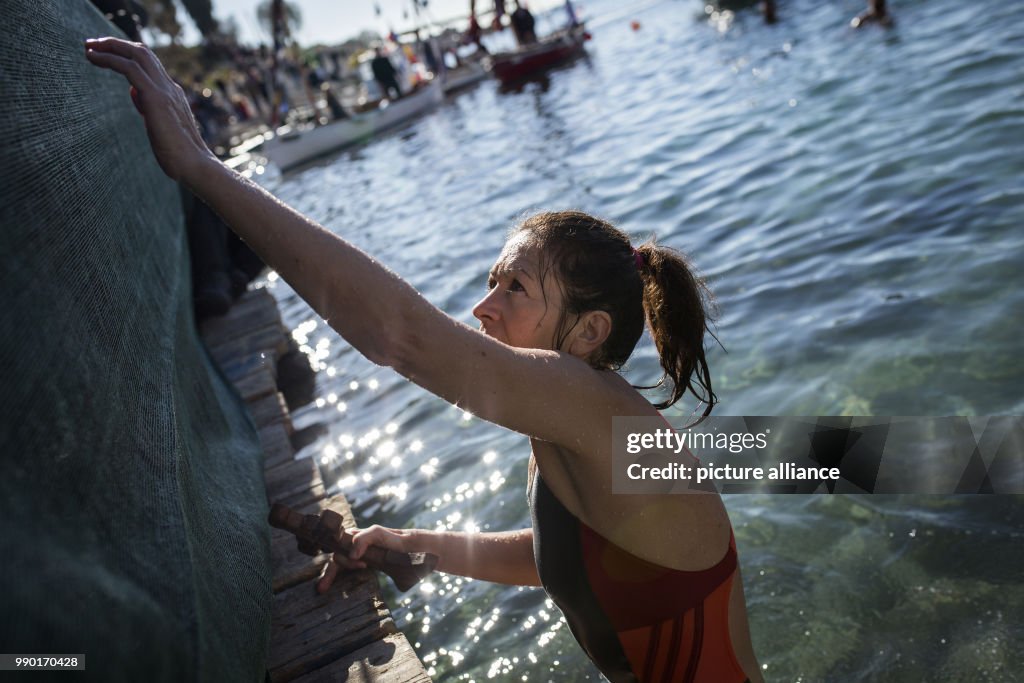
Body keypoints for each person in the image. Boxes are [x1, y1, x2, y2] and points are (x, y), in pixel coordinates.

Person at [84, 37, 764, 683]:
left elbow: (399, 335)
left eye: (515, 288)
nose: (483, 306)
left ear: (588, 332)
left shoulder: (590, 403)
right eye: (493, 279)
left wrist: (203, 170)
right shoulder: (579, 432)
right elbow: (559, 554)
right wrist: (412, 542)